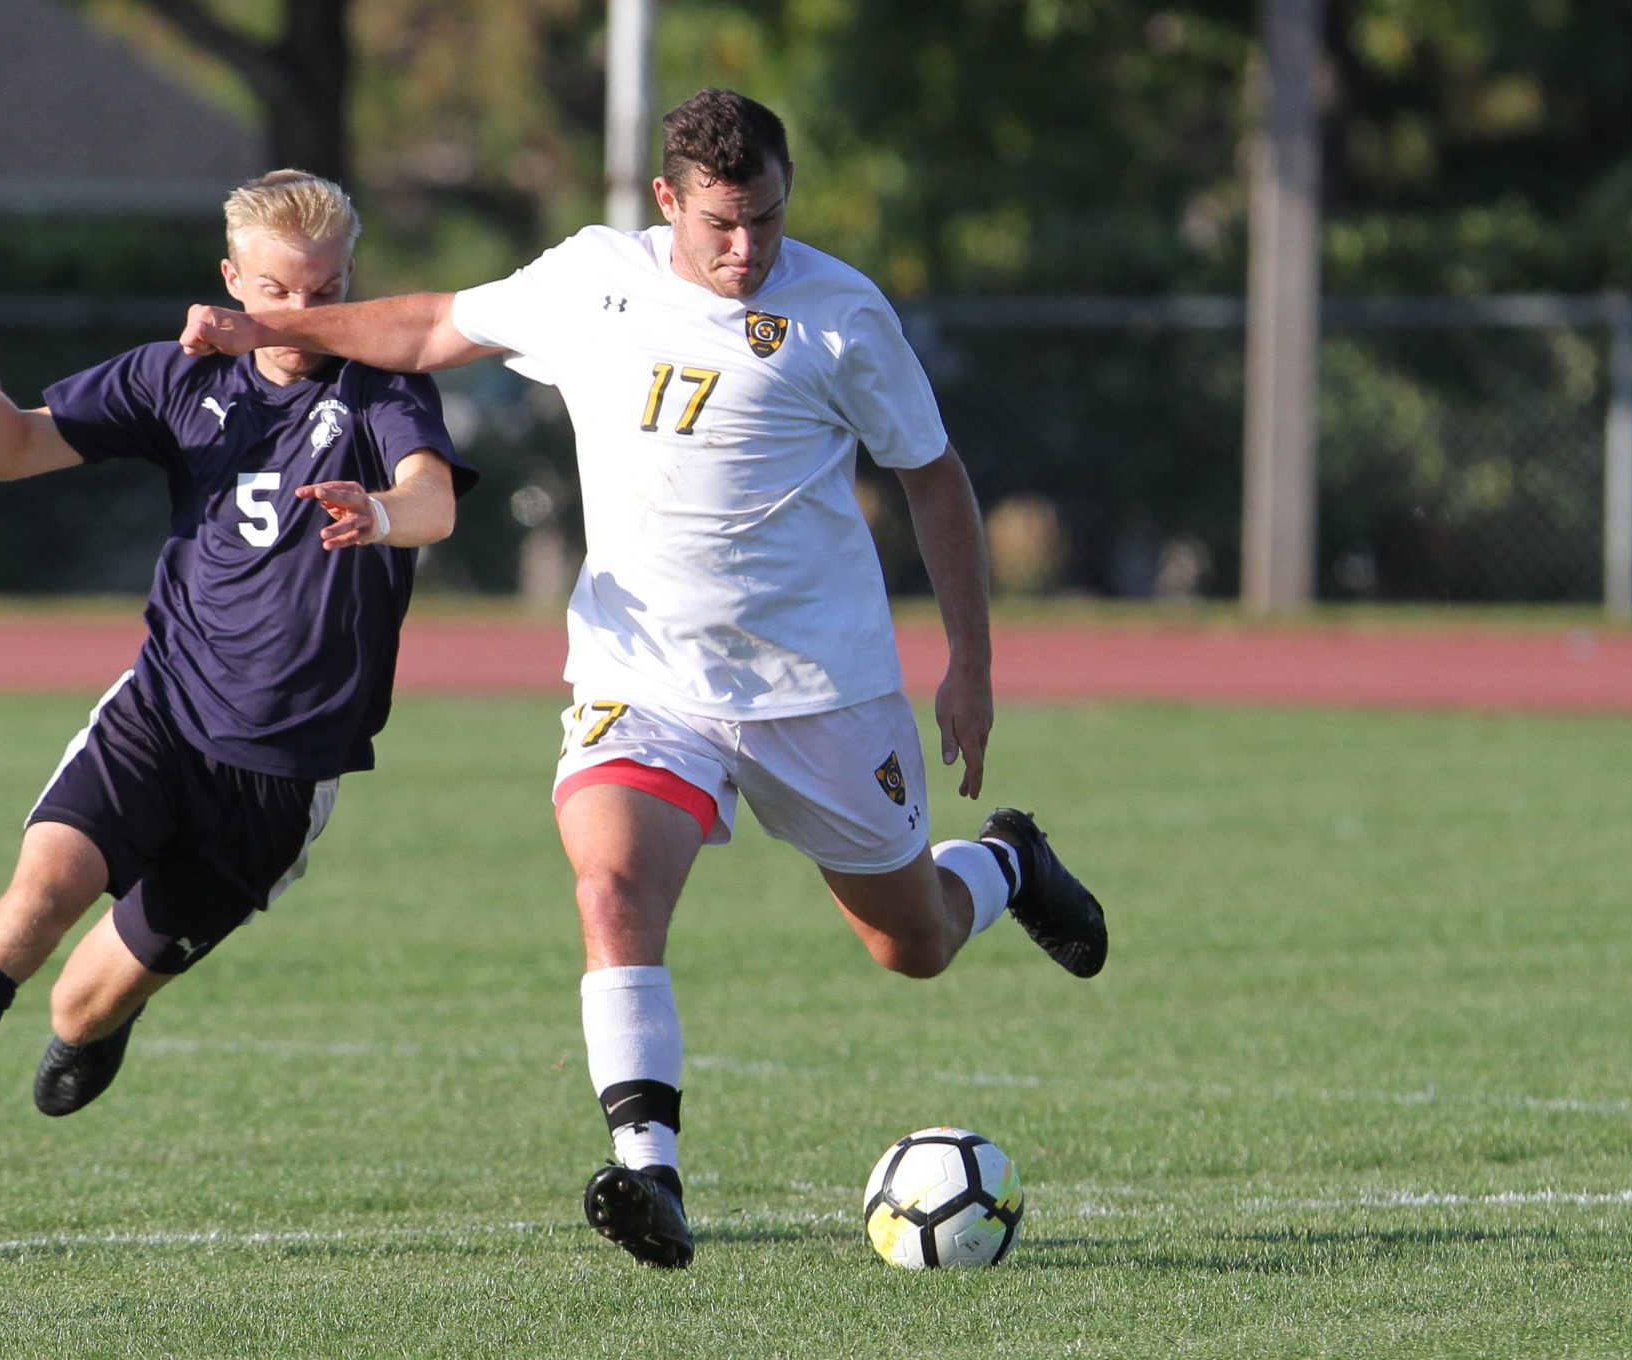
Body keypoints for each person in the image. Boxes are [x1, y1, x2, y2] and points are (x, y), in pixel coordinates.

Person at [178, 90, 1106, 1270]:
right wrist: (259, 334)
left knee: (910, 943)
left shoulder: (841, 315)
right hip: (643, 678)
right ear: (665, 199)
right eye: (720, 222)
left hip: (819, 685)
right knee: (610, 884)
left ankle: (1008, 857)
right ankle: (646, 1175)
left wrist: (969, 663)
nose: (745, 248)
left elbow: (932, 477)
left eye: (766, 220)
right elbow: (423, 328)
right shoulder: (590, 280)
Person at [0, 170, 474, 1243]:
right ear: (231, 280)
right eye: (279, 292)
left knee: (77, 1004)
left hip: (278, 779)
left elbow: (432, 500)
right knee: (27, 911)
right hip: (158, 715)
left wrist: (379, 512)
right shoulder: (178, 381)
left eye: (328, 289)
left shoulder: (383, 391)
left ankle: (98, 1027)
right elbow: (9, 449)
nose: (302, 315)